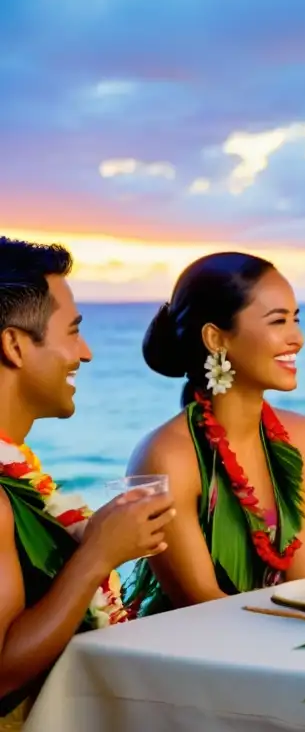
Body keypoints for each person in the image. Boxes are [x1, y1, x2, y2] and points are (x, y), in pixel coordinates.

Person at [0, 238, 174, 726]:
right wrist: (98, 554)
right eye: (73, 332)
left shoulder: (17, 473)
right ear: (14, 345)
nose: (87, 352)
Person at [124, 253, 305, 615]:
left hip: (288, 645)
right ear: (216, 338)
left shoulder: (304, 437)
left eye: (296, 319)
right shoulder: (168, 456)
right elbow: (201, 606)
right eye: (278, 321)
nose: (298, 338)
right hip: (192, 656)